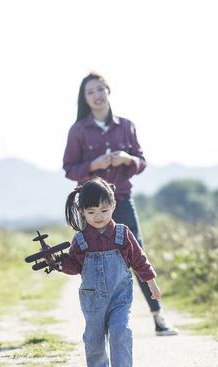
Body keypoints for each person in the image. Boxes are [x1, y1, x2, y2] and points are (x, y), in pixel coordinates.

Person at [62, 71, 178, 336]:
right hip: (90, 207)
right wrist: (94, 165)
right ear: (84, 98)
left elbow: (142, 161)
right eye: (90, 92)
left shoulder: (126, 126)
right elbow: (69, 169)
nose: (96, 96)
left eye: (100, 89)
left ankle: (158, 316)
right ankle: (98, 320)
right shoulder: (78, 131)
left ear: (108, 91)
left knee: (135, 252)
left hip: (121, 200)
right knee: (90, 258)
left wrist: (127, 159)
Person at [60, 177, 162, 367]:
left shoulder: (122, 233)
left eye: (104, 211)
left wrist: (152, 284)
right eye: (91, 212)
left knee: (120, 328)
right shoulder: (80, 240)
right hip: (92, 297)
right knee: (94, 333)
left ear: (113, 206)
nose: (98, 217)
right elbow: (73, 267)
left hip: (119, 295)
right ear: (81, 210)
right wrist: (58, 263)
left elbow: (139, 260)